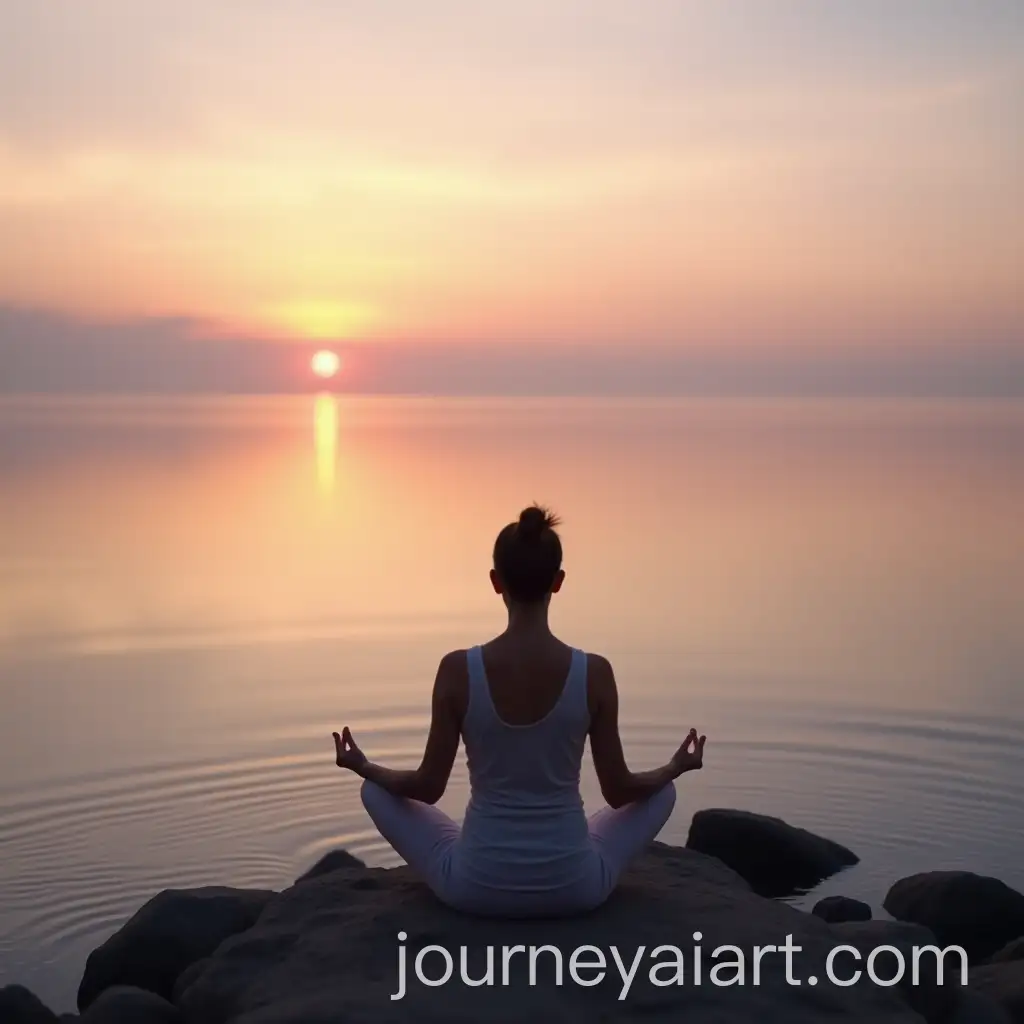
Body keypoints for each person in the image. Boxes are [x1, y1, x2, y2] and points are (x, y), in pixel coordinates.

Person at [332, 505, 707, 917]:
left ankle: (481, 845)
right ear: (558, 582)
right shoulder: (594, 673)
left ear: (496, 582)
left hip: (474, 886)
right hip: (575, 887)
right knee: (663, 793)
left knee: (374, 791)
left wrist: (363, 766)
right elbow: (618, 792)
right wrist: (674, 767)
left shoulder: (458, 670)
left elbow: (427, 786)